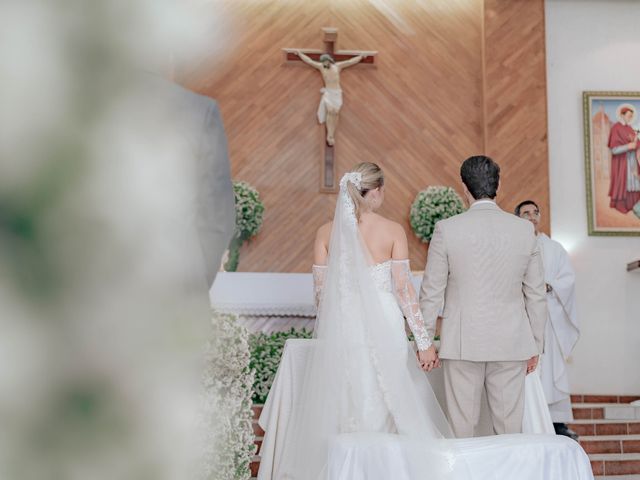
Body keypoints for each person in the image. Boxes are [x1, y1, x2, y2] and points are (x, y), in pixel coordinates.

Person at [419, 155, 548, 438]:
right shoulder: (524, 230)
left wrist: (425, 341)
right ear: (498, 186)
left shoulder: (447, 229)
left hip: (463, 343)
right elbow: (536, 293)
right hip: (512, 343)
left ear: (464, 187)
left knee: (462, 430)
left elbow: (431, 292)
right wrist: (535, 344)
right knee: (509, 433)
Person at [515, 200, 580, 441]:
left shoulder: (554, 248)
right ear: (518, 218)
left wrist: (549, 286)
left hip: (549, 316)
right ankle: (526, 419)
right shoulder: (514, 245)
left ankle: (556, 421)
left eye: (535, 212)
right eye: (525, 213)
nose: (531, 217)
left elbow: (568, 279)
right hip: (522, 317)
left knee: (550, 368)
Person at [295, 51, 366, 146]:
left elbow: (350, 62)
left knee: (335, 113)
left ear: (329, 60)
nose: (324, 63)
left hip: (336, 92)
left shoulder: (338, 66)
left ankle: (332, 133)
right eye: (323, 62)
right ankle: (329, 135)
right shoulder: (321, 67)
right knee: (330, 111)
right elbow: (309, 61)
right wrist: (300, 54)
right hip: (328, 92)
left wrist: (360, 57)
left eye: (326, 61)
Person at [608, 104, 640, 215]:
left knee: (634, 182)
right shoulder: (616, 128)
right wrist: (628, 146)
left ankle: (633, 205)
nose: (630, 118)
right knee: (624, 183)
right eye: (628, 116)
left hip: (632, 161)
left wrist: (636, 141)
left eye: (631, 116)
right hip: (622, 163)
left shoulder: (630, 129)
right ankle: (622, 206)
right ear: (622, 115)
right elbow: (614, 150)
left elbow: (635, 144)